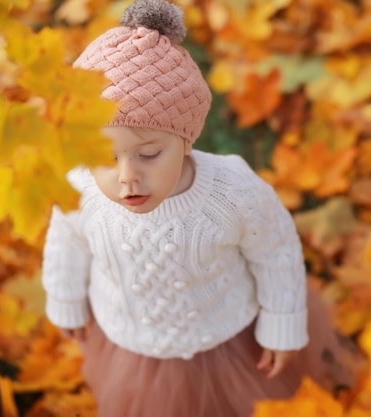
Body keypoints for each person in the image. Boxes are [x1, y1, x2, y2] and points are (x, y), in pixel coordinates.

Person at [41, 0, 351, 415]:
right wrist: (64, 296)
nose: (128, 175)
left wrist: (281, 323)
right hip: (130, 338)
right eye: (106, 156)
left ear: (186, 141)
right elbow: (66, 244)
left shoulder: (232, 192)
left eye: (149, 154)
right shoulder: (80, 191)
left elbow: (275, 250)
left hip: (227, 336)